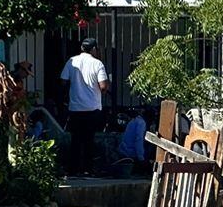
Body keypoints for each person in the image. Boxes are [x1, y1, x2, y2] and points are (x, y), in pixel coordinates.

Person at [59, 39, 110, 176]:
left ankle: (73, 169)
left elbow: (63, 81)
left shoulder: (71, 61)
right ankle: (88, 169)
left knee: (75, 140)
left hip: (75, 108)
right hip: (92, 108)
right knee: (89, 140)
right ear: (93, 49)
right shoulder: (97, 63)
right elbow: (103, 86)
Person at [118, 107, 153, 174]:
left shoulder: (134, 121)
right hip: (131, 154)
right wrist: (141, 158)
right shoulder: (141, 123)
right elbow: (138, 140)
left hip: (125, 151)